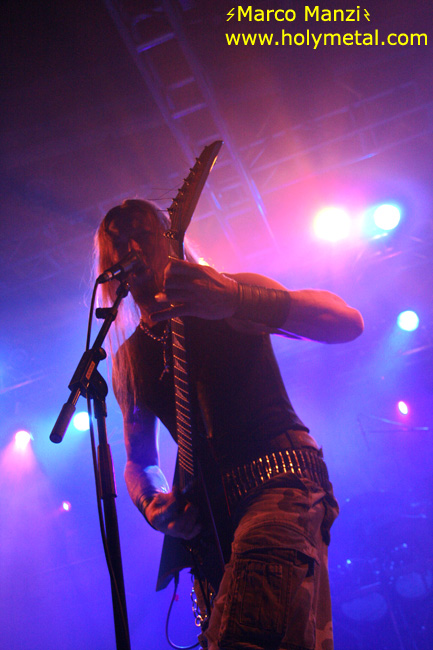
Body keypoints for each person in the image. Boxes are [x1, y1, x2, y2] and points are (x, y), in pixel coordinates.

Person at [95, 198, 364, 650]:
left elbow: (345, 321)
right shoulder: (128, 359)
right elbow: (139, 462)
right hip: (212, 521)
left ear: (171, 239)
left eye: (143, 233)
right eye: (118, 243)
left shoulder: (227, 293)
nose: (132, 249)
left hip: (277, 481)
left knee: (243, 637)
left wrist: (237, 298)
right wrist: (154, 506)